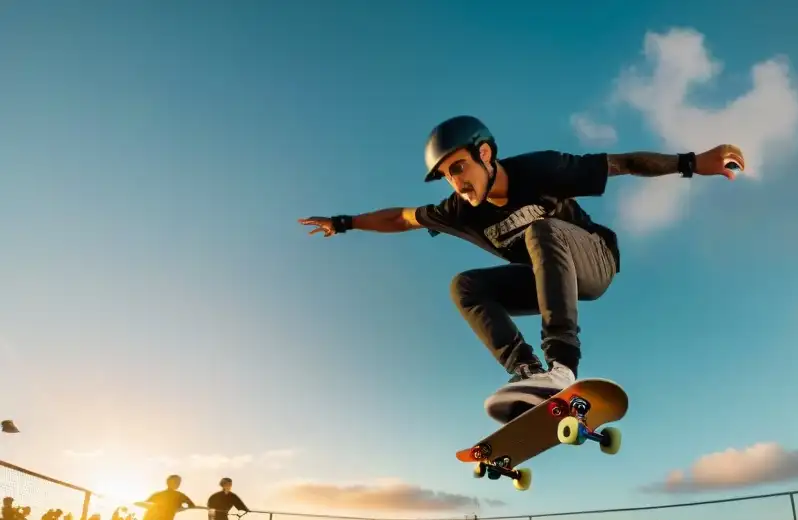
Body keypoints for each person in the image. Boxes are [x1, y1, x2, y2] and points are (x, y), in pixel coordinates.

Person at [300, 116, 744, 421]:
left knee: (542, 231)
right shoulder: (459, 209)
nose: (457, 182)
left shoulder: (541, 169)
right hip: (544, 280)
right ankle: (530, 373)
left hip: (594, 260)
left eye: (460, 168)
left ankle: (562, 367)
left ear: (486, 154)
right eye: (447, 176)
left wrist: (692, 163)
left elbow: (622, 163)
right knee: (466, 285)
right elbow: (402, 217)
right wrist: (345, 223)